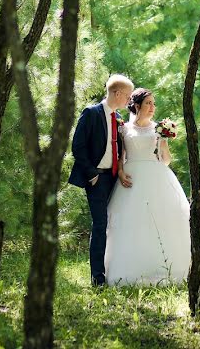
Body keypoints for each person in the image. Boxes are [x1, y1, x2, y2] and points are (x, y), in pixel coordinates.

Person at [104, 87, 200, 286]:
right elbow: (121, 156)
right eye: (148, 103)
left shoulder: (158, 128)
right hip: (131, 176)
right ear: (137, 106)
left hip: (156, 175)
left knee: (165, 219)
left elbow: (166, 160)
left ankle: (176, 268)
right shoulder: (123, 128)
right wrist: (120, 171)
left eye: (154, 103)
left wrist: (164, 141)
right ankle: (132, 268)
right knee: (133, 222)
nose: (153, 107)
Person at [67, 74, 133, 286]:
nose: (129, 100)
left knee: (117, 223)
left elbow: (120, 148)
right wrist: (92, 174)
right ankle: (98, 277)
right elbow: (78, 146)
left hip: (115, 177)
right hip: (98, 179)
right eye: (127, 96)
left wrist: (121, 171)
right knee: (100, 224)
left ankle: (117, 268)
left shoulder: (118, 118)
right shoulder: (92, 113)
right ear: (116, 93)